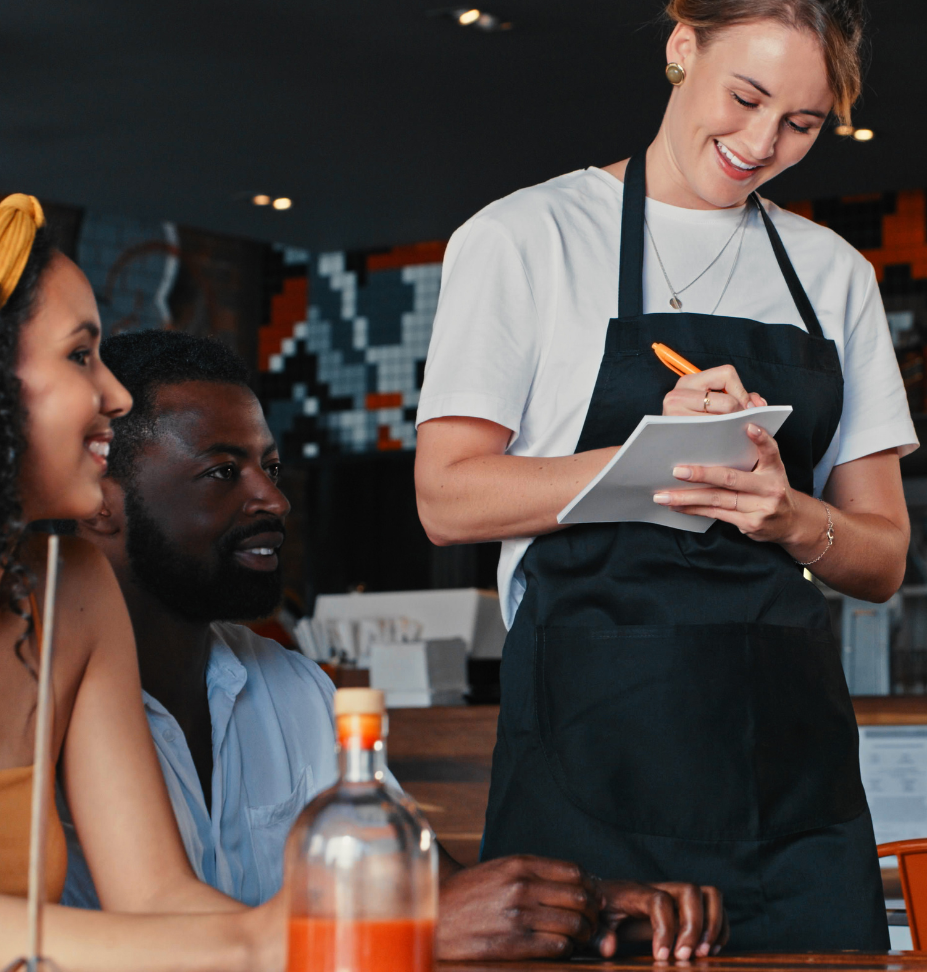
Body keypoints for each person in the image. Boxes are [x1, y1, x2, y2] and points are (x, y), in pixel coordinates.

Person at [413, 0, 917, 952]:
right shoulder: (526, 238)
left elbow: (880, 556)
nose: (762, 143)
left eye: (803, 123)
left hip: (796, 792)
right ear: (682, 47)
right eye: (745, 97)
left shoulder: (833, 276)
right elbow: (446, 494)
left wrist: (785, 513)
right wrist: (640, 457)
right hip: (588, 775)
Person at [66, 328, 726, 961]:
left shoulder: (296, 691)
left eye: (269, 466)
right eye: (221, 472)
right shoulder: (42, 705)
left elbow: (429, 889)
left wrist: (575, 911)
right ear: (100, 497)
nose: (272, 497)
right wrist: (406, 927)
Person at [0, 193, 278, 971]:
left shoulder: (71, 586)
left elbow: (155, 894)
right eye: (80, 354)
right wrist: (266, 941)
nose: (117, 397)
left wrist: (308, 935)